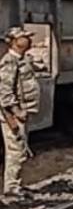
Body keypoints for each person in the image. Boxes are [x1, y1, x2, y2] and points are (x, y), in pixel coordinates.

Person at [1, 26, 43, 197]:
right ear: (13, 41)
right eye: (23, 37)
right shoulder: (9, 61)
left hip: (23, 112)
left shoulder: (22, 59)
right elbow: (4, 90)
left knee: (20, 149)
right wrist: (16, 110)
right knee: (16, 150)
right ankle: (11, 188)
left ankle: (16, 184)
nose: (28, 40)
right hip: (12, 114)